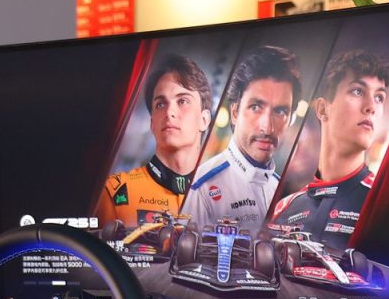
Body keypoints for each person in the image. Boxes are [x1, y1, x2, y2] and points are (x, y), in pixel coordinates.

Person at [269, 50, 389, 259]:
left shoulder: (382, 204)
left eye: (379, 97)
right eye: (357, 91)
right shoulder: (284, 207)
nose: (372, 107)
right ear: (322, 109)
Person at [182, 45, 300, 236]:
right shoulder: (201, 188)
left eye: (280, 111)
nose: (267, 127)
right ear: (235, 112)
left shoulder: (283, 194)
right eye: (255, 107)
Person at [95, 54, 213, 234]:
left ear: (204, 120)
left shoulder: (225, 198)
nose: (169, 112)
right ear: (152, 124)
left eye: (182, 101)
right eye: (160, 104)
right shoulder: (115, 191)